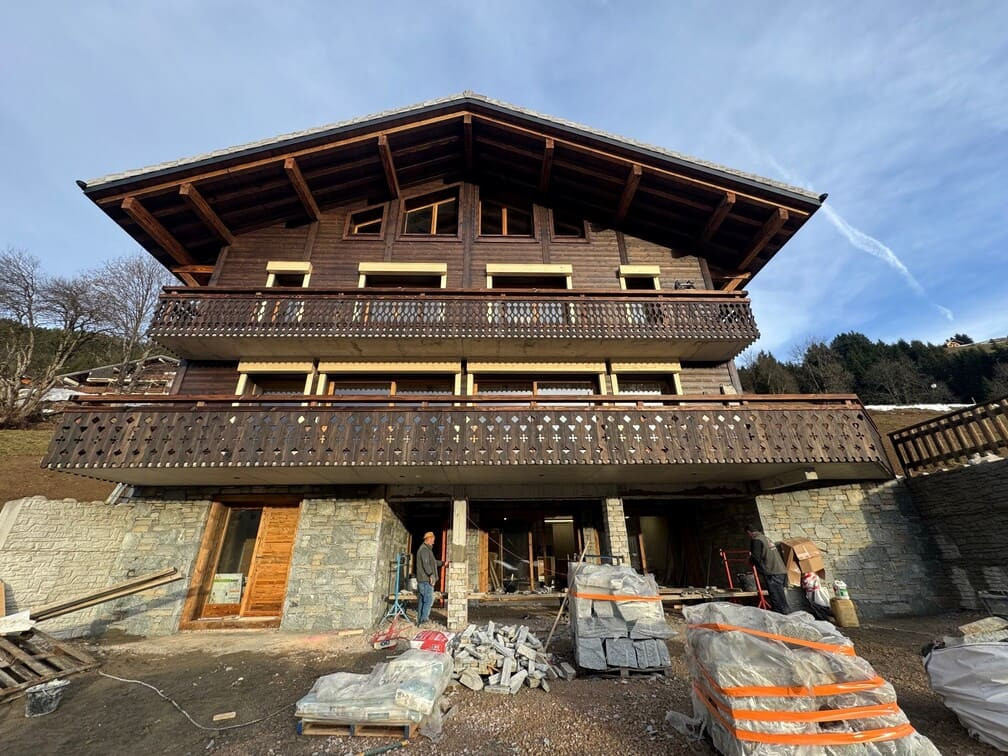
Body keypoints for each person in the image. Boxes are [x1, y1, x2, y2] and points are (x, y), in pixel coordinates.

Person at [745, 524, 789, 614]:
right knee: (781, 597)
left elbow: (756, 557)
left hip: (772, 572)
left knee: (776, 598)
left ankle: (780, 619)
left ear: (749, 533)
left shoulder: (756, 540)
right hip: (780, 570)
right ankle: (785, 616)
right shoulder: (765, 538)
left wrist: (749, 561)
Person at [415, 531, 448, 625]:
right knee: (428, 600)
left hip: (424, 580)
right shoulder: (424, 550)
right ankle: (424, 620)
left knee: (423, 600)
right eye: (432, 539)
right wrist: (431, 575)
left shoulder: (427, 549)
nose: (434, 541)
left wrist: (443, 563)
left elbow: (432, 562)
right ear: (428, 539)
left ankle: (420, 621)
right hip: (425, 580)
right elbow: (426, 564)